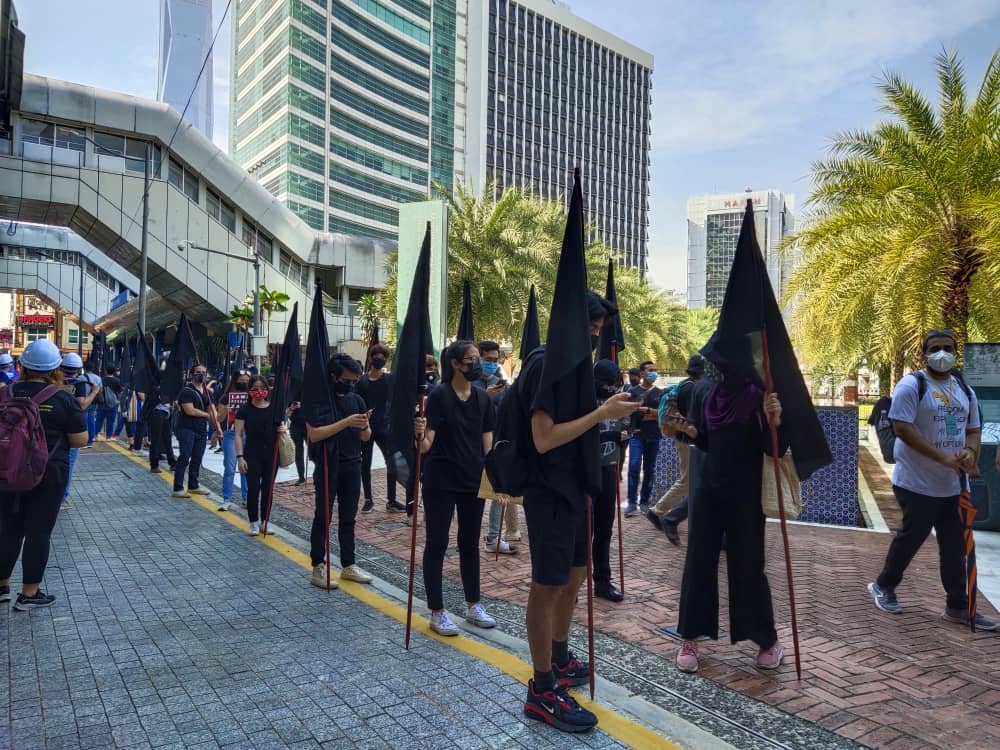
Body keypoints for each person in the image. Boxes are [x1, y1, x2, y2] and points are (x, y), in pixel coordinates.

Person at [519, 291, 640, 732]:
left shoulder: (579, 368)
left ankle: (560, 654)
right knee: (547, 585)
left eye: (598, 331)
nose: (594, 338)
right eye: (590, 329)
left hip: (575, 488)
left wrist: (611, 414)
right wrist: (601, 412)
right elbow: (544, 438)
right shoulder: (544, 364)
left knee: (574, 576)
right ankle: (542, 688)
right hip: (548, 490)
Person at [868, 330, 997, 630]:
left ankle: (957, 606)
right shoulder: (912, 385)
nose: (942, 354)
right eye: (935, 348)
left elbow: (973, 429)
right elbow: (901, 428)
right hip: (916, 481)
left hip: (953, 485)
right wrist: (942, 458)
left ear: (956, 352)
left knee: (954, 546)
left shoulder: (964, 389)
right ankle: (883, 585)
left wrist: (970, 452)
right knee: (912, 536)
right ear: (924, 353)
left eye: (948, 348)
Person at [674, 334, 786, 674]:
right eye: (714, 360)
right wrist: (688, 432)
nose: (717, 366)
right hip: (707, 489)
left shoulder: (760, 395)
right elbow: (702, 438)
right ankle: (691, 636)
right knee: (698, 562)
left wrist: (774, 422)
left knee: (748, 565)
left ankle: (767, 639)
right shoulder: (704, 392)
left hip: (745, 493)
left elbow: (775, 449)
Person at [413, 341, 498, 635]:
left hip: (473, 480)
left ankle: (473, 603)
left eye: (479, 359)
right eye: (472, 359)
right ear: (455, 364)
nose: (478, 364)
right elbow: (426, 446)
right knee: (437, 543)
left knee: (469, 543)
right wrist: (418, 434)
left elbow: (488, 447)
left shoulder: (484, 399)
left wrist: (496, 478)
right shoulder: (438, 397)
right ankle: (437, 610)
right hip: (441, 480)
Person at [0, 340, 88, 610]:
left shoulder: (5, 393)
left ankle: (2, 586)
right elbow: (79, 440)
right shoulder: (63, 398)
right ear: (56, 368)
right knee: (38, 533)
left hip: (7, 472)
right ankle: (29, 594)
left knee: (7, 531)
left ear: (21, 365)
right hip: (48, 474)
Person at [307, 355, 374, 588]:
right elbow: (314, 434)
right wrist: (346, 422)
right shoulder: (319, 400)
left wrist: (364, 424)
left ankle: (348, 564)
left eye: (355, 381)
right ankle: (318, 565)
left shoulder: (356, 400)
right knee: (323, 515)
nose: (351, 385)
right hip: (328, 464)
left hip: (353, 463)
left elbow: (366, 437)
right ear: (334, 376)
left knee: (349, 517)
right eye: (347, 380)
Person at [649, 355, 704, 544]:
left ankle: (660, 512)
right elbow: (692, 415)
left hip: (687, 439)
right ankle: (658, 511)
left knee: (690, 480)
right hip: (687, 439)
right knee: (687, 480)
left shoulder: (688, 384)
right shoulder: (691, 387)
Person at [593, 359, 630, 602]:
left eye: (616, 385)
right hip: (585, 470)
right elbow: (582, 435)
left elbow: (625, 428)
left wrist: (624, 436)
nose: (613, 389)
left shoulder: (618, 402)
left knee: (604, 529)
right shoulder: (583, 401)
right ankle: (572, 580)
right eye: (609, 385)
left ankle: (603, 580)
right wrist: (610, 434)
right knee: (581, 530)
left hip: (608, 468)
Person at [476, 340, 517, 555]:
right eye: (487, 360)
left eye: (494, 360)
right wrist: (485, 397)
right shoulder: (469, 383)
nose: (491, 364)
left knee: (497, 495)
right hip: (471, 448)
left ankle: (493, 537)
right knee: (473, 497)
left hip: (495, 447)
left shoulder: (501, 385)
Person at [235, 376, 284, 536]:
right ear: (249, 391)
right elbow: (238, 434)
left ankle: (265, 521)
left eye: (262, 388)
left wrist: (283, 429)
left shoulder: (274, 409)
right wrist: (240, 457)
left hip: (271, 454)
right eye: (254, 389)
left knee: (268, 488)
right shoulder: (244, 410)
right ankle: (253, 522)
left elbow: (281, 426)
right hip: (251, 454)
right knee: (253, 489)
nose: (258, 392)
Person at [357, 344, 403, 513]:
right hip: (366, 427)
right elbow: (357, 402)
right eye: (376, 355)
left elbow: (398, 401)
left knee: (391, 463)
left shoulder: (390, 379)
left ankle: (391, 500)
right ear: (370, 358)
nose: (379, 359)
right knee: (365, 463)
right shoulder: (362, 381)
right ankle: (368, 499)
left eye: (383, 356)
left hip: (385, 427)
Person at [404, 354, 442, 525]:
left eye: (433, 367)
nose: (430, 371)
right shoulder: (411, 388)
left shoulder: (438, 389)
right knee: (413, 475)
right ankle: (411, 512)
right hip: (415, 437)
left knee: (430, 476)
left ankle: (431, 510)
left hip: (433, 437)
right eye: (427, 368)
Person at [173, 363, 219, 498]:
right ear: (191, 374)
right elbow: (190, 410)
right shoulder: (186, 391)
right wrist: (207, 415)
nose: (202, 375)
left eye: (204, 373)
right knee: (184, 457)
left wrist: (216, 420)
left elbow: (212, 408)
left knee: (197, 458)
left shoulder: (207, 392)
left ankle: (193, 485)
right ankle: (178, 487)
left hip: (201, 430)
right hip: (186, 429)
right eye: (198, 372)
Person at [60, 353, 99, 507]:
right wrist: (94, 392)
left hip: (54, 426)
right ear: (78, 369)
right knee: (68, 463)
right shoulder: (79, 384)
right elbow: (82, 405)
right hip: (73, 428)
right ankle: (62, 497)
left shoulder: (54, 382)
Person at [625, 361, 662, 516]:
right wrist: (646, 413)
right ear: (641, 374)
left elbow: (662, 414)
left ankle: (645, 502)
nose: (653, 373)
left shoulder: (660, 393)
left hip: (654, 435)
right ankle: (631, 502)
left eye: (655, 370)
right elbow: (628, 413)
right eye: (649, 370)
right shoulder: (632, 392)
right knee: (633, 467)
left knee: (649, 469)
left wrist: (649, 412)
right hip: (637, 435)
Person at [217, 372, 250, 510]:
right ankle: (226, 499)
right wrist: (226, 409)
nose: (244, 383)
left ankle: (247, 497)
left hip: (248, 434)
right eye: (241, 380)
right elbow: (219, 418)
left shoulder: (252, 397)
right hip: (231, 434)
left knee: (246, 468)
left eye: (247, 381)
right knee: (230, 468)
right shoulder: (226, 397)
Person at [146, 384, 175, 474]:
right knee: (156, 440)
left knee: (167, 439)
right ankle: (154, 465)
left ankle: (172, 463)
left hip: (165, 414)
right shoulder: (155, 387)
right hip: (157, 413)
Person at [288, 391, 308, 486]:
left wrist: (303, 406)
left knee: (314, 451)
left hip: (307, 426)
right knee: (299, 452)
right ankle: (301, 477)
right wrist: (292, 408)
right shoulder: (290, 396)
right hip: (296, 427)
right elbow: (287, 415)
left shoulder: (309, 395)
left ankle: (319, 474)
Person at [98, 365, 123, 439]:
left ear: (106, 371)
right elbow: (120, 392)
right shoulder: (116, 380)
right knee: (111, 421)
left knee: (99, 420)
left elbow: (99, 390)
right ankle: (108, 437)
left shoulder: (101, 379)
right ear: (114, 372)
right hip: (113, 403)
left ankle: (95, 435)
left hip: (102, 402)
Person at [82, 360, 103, 446]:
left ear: (84, 368)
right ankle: (90, 440)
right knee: (92, 419)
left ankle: (85, 439)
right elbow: (101, 390)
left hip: (85, 400)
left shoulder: (82, 377)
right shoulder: (98, 378)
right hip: (94, 400)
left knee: (84, 420)